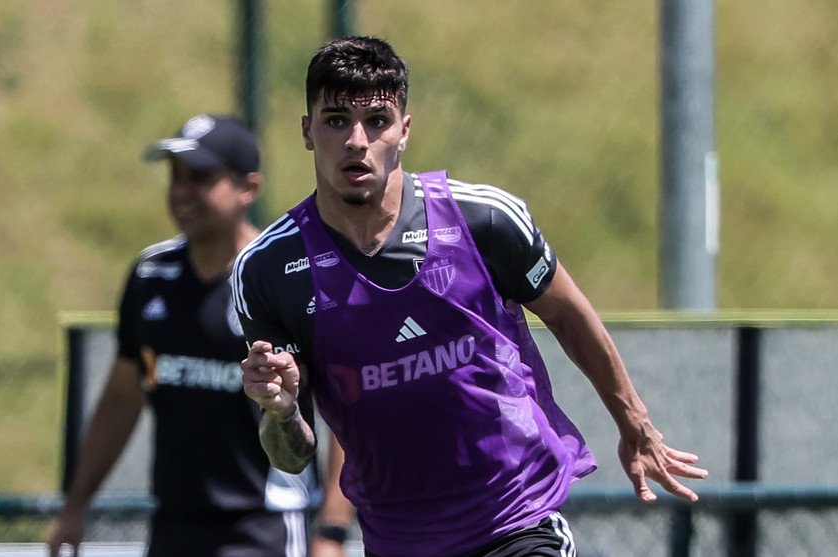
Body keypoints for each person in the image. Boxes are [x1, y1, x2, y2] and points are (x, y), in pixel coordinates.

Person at [232, 36, 709, 557]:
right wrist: (280, 412)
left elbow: (570, 316)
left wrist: (634, 422)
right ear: (307, 131)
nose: (356, 141)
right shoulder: (269, 270)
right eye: (336, 120)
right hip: (399, 542)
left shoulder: (484, 220)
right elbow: (292, 456)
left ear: (404, 130)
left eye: (377, 121)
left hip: (516, 521)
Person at [48, 113, 352, 557]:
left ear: (249, 188)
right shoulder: (151, 275)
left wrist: (331, 531)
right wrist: (76, 506)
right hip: (173, 525)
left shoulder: (282, 277)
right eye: (176, 176)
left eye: (201, 177)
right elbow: (121, 398)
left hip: (263, 527)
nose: (182, 191)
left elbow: (345, 408)